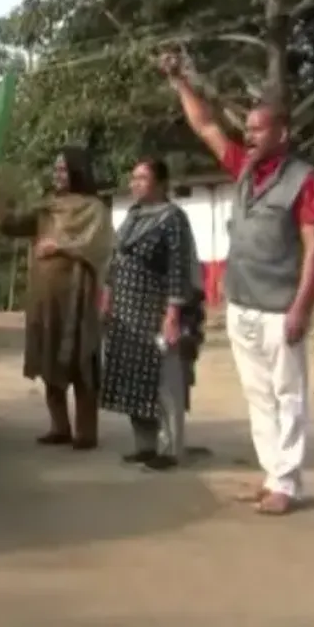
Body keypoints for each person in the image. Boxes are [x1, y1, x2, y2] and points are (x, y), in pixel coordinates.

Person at [160, 52, 314, 514]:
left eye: (257, 130)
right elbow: (206, 126)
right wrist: (179, 81)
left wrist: (301, 306)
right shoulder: (246, 170)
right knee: (258, 395)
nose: (248, 136)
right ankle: (273, 474)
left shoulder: (304, 180)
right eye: (247, 129)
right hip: (241, 303)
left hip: (280, 308)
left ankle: (287, 483)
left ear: (281, 134)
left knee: (288, 395)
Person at [0, 148, 113, 451]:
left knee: (82, 362)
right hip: (44, 298)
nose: (56, 175)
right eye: (55, 169)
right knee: (48, 357)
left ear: (77, 172)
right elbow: (11, 225)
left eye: (62, 170)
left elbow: (99, 247)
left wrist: (60, 247)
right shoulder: (47, 207)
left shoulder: (95, 209)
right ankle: (59, 426)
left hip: (78, 296)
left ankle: (86, 432)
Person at [101, 157, 205, 471]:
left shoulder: (172, 219)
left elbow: (177, 269)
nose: (134, 184)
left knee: (164, 382)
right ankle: (144, 446)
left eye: (142, 178)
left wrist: (172, 315)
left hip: (156, 310)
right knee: (134, 381)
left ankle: (170, 449)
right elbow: (115, 261)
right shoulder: (133, 216)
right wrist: (107, 298)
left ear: (160, 183)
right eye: (133, 178)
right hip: (127, 311)